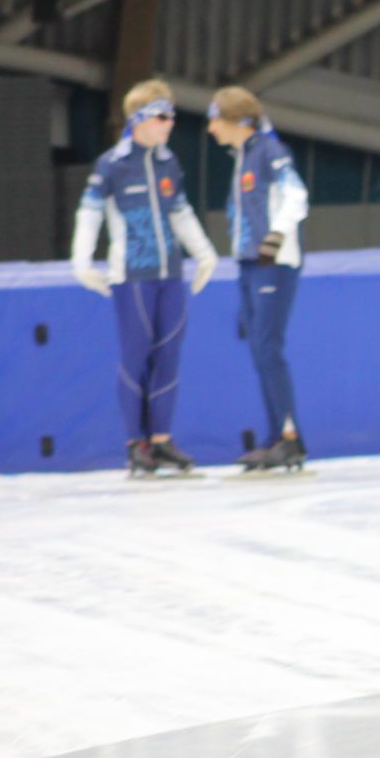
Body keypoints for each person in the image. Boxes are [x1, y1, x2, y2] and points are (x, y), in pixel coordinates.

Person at [70, 80, 219, 474]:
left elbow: (181, 213)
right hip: (131, 276)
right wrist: (81, 261)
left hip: (170, 272)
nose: (170, 123)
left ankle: (161, 439)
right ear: (138, 120)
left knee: (169, 355)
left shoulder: (169, 162)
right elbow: (89, 213)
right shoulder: (113, 164)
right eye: (161, 116)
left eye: (171, 115)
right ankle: (136, 443)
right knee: (136, 358)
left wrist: (204, 253)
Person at [206, 86, 311, 471]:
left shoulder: (270, 151)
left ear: (238, 121)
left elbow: (296, 195)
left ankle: (289, 437)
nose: (211, 128)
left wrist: (276, 237)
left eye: (215, 119)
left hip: (273, 262)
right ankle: (277, 436)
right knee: (259, 349)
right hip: (251, 262)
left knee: (268, 347)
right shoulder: (245, 155)